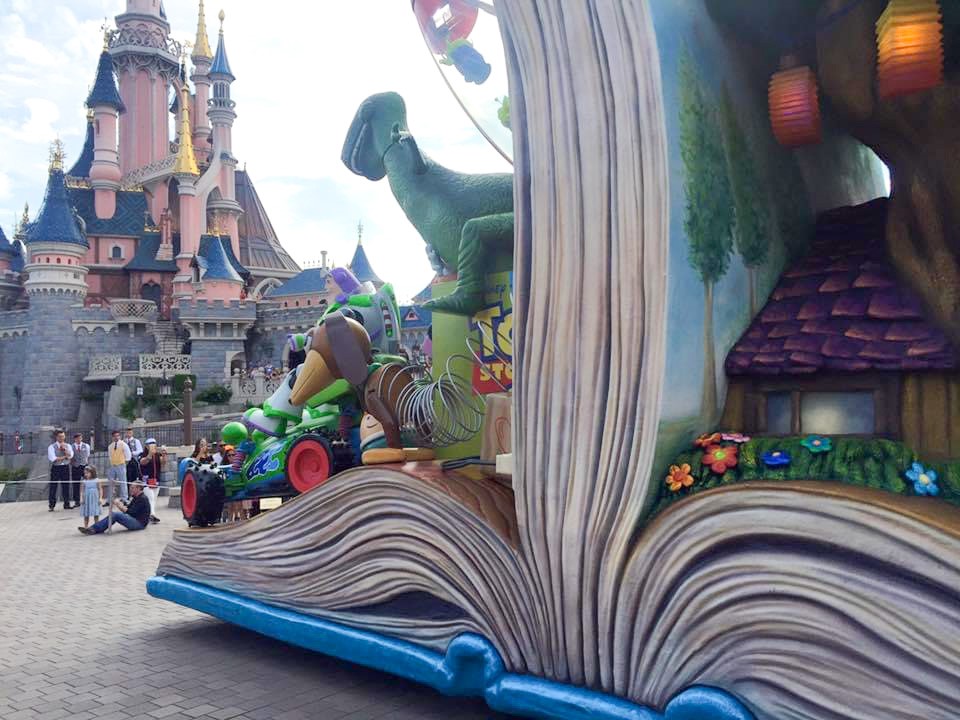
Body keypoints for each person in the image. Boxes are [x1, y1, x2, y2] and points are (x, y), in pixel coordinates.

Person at [78, 478, 150, 535]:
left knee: (115, 515)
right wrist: (119, 504)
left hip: (139, 524)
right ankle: (94, 529)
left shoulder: (142, 499)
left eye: (133, 488)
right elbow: (129, 509)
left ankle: (93, 529)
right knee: (114, 514)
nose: (130, 489)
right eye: (131, 487)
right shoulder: (137, 497)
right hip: (136, 520)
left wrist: (119, 505)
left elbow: (131, 512)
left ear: (139, 488)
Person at [139, 438, 166, 524]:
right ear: (147, 446)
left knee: (153, 499)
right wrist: (150, 454)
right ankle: (152, 515)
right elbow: (143, 462)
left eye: (154, 444)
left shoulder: (157, 455)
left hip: (156, 479)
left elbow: (163, 463)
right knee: (151, 497)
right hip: (146, 480)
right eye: (151, 444)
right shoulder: (142, 454)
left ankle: (148, 515)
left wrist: (164, 454)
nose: (153, 446)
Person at [47, 430, 74, 512]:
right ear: (56, 437)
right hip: (56, 468)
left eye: (63, 436)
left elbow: (70, 456)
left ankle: (66, 504)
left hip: (65, 467)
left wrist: (65, 451)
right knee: (53, 487)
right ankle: (51, 505)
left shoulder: (68, 445)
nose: (62, 438)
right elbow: (53, 459)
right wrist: (64, 457)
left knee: (66, 486)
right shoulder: (51, 446)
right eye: (60, 436)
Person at [107, 430, 132, 502]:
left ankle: (124, 499)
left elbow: (128, 455)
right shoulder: (110, 446)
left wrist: (124, 463)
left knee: (123, 483)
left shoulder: (123, 444)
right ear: (112, 437)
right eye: (115, 436)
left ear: (120, 436)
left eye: (117, 436)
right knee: (111, 483)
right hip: (113, 465)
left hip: (121, 465)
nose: (116, 437)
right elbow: (110, 456)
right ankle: (110, 500)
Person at [70, 432, 91, 509]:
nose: (79, 440)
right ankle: (77, 501)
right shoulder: (71, 446)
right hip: (75, 466)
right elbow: (71, 456)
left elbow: (87, 455)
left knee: (87, 483)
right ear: (75, 439)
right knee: (76, 484)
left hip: (84, 466)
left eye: (80, 438)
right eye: (77, 438)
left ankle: (87, 499)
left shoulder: (86, 446)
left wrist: (85, 463)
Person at [78, 465, 103, 530]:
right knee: (86, 514)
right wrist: (81, 498)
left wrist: (100, 498)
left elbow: (100, 489)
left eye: (87, 473)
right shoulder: (84, 481)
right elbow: (81, 491)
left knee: (96, 513)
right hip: (86, 498)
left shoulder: (97, 480)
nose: (86, 474)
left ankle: (97, 526)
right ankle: (86, 527)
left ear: (92, 472)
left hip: (94, 498)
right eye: (85, 473)